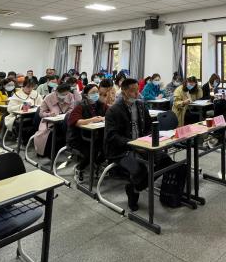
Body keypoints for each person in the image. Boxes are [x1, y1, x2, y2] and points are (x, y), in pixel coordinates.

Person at [104, 78, 173, 212]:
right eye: (132, 91)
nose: (137, 93)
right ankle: (134, 195)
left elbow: (148, 127)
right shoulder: (113, 110)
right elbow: (112, 136)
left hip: (142, 145)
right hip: (121, 150)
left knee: (166, 161)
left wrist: (147, 140)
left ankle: (136, 187)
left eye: (137, 90)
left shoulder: (141, 106)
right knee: (139, 169)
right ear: (124, 91)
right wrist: (133, 144)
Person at [67, 84, 108, 183]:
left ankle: (97, 164)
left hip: (96, 137)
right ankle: (79, 168)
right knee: (92, 151)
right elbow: (76, 121)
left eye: (97, 92)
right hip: (79, 138)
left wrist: (103, 118)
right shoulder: (80, 106)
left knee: (108, 147)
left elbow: (110, 114)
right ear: (85, 95)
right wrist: (92, 120)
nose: (96, 94)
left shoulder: (101, 104)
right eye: (93, 92)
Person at [35, 83, 76, 157]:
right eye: (62, 94)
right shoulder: (48, 97)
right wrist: (49, 114)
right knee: (47, 134)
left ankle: (68, 149)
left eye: (66, 94)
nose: (64, 96)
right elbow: (41, 113)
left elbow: (72, 109)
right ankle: (48, 153)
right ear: (56, 91)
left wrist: (67, 114)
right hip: (49, 122)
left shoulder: (70, 96)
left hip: (64, 121)